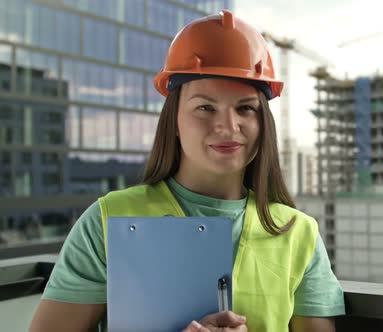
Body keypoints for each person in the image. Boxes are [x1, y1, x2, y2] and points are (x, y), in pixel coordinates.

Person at [29, 9, 345, 332]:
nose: (227, 126)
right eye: (205, 108)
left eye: (245, 108)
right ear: (174, 121)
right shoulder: (108, 222)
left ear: (264, 122)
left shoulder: (299, 235)